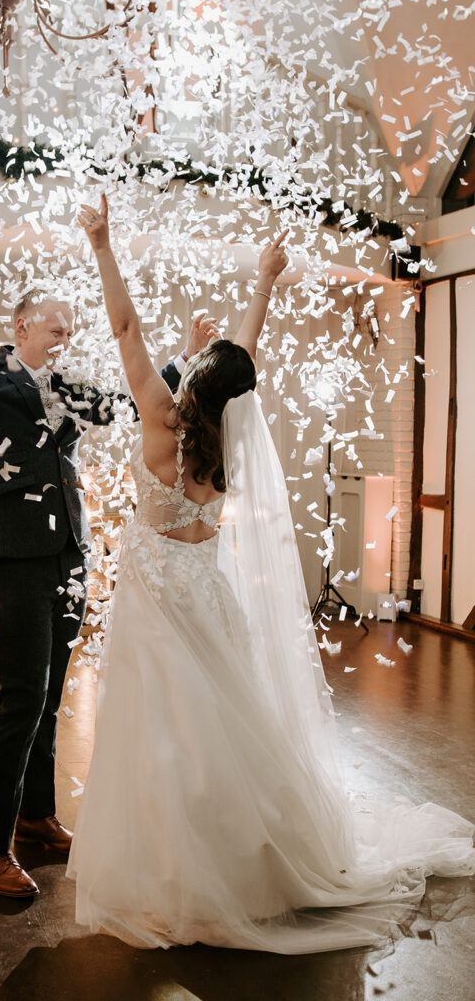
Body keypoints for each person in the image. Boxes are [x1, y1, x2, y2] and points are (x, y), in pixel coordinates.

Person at [67, 195, 475, 952]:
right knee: (221, 728)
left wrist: (102, 244)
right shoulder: (229, 435)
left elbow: (125, 328)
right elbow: (239, 360)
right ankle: (237, 858)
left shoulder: (160, 415)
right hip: (205, 593)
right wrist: (261, 282)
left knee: (162, 734)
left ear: (195, 381)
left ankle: (176, 873)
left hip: (156, 599)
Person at [0, 245, 217, 898]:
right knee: (18, 699)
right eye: (56, 330)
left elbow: (132, 401)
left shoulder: (70, 390)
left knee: (48, 697)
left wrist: (184, 356)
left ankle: (36, 816)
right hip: (13, 556)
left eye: (71, 331)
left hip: (70, 551)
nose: (67, 339)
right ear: (20, 330)